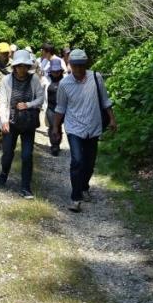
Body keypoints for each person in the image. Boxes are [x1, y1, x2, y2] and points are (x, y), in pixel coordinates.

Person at [50, 49, 117, 212]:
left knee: (90, 162)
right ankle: (76, 197)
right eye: (75, 66)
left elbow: (105, 100)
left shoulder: (96, 78)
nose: (78, 69)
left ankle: (84, 186)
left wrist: (112, 119)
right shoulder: (65, 84)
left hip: (93, 126)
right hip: (74, 127)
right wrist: (55, 128)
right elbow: (60, 108)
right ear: (70, 65)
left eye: (81, 65)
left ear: (85, 64)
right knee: (77, 161)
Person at [0, 49, 45, 199]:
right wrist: (4, 120)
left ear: (28, 66)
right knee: (7, 154)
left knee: (26, 155)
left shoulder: (34, 79)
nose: (22, 69)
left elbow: (40, 98)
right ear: (14, 67)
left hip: (28, 121)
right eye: (19, 66)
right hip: (10, 121)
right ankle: (4, 173)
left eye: (25, 65)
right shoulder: (6, 80)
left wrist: (28, 104)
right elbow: (3, 102)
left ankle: (25, 187)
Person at [45, 57, 65, 156]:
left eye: (57, 71)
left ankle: (57, 143)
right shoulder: (46, 80)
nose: (56, 73)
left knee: (59, 126)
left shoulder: (66, 81)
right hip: (50, 107)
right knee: (53, 126)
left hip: (63, 108)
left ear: (61, 71)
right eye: (54, 71)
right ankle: (54, 145)